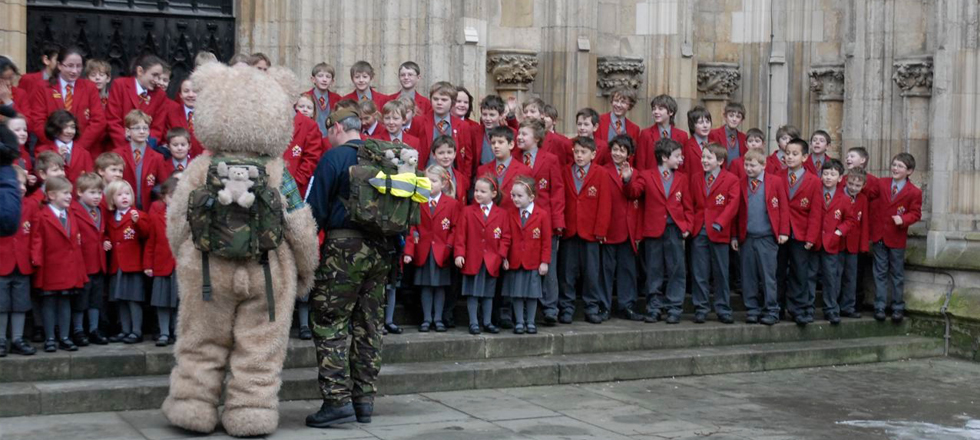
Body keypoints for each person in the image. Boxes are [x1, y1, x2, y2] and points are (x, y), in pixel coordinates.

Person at [305, 109, 391, 427]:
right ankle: (364, 400)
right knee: (369, 326)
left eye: (329, 130)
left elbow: (314, 210)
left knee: (330, 322)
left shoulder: (333, 158)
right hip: (382, 251)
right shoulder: (382, 155)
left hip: (343, 250)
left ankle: (336, 400)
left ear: (338, 127)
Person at [624, 137, 692, 324]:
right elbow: (634, 192)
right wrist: (628, 179)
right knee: (654, 270)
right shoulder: (647, 175)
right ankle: (654, 307)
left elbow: (687, 206)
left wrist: (686, 226)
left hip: (674, 230)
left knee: (676, 269)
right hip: (653, 230)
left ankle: (674, 307)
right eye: (677, 156)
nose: (681, 159)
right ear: (664, 157)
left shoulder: (682, 178)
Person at [515, 120, 564, 325]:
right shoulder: (515, 159)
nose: (519, 137)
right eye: (518, 133)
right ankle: (521, 308)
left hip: (544, 220)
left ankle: (550, 308)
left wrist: (558, 221)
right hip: (520, 221)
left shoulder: (550, 159)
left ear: (536, 138)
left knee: (548, 265)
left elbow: (558, 191)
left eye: (524, 134)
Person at [31, 175, 88, 352]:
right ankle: (50, 338)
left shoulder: (70, 214)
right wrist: (36, 261)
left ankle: (64, 336)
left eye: (70, 193)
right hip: (50, 266)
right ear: (52, 195)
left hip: (69, 266)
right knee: (49, 303)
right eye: (65, 193)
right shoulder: (42, 215)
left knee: (65, 301)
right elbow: (36, 240)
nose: (69, 197)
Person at [732, 149, 789, 325]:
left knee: (768, 275)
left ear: (763, 166)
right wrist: (734, 236)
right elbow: (736, 212)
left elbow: (784, 208)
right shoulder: (741, 183)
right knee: (748, 275)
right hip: (747, 237)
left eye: (752, 165)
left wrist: (783, 231)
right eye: (746, 165)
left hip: (767, 237)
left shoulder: (775, 182)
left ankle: (771, 309)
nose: (748, 168)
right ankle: (752, 309)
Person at [559, 136, 611, 324]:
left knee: (591, 272)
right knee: (567, 272)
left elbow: (605, 204)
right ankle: (566, 307)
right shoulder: (565, 171)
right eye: (577, 152)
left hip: (590, 232)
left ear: (593, 154)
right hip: (570, 230)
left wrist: (600, 230)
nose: (579, 156)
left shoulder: (601, 173)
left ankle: (591, 307)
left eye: (584, 152)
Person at [865, 153, 922, 323]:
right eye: (894, 165)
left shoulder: (914, 192)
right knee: (879, 272)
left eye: (900, 166)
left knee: (896, 273)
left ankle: (897, 307)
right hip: (879, 236)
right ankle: (880, 306)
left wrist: (903, 219)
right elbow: (868, 194)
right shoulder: (882, 183)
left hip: (896, 238)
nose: (895, 169)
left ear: (909, 171)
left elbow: (916, 213)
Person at [403, 165, 459, 332]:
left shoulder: (452, 204)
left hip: (442, 252)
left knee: (440, 286)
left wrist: (449, 246)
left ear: (443, 183)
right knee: (425, 286)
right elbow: (412, 228)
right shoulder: (418, 201)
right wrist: (409, 251)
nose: (429, 184)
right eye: (426, 181)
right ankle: (427, 318)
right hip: (424, 251)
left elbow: (455, 228)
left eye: (433, 181)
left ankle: (438, 318)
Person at [689, 144, 740, 324]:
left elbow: (733, 205)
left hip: (720, 231)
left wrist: (720, 222)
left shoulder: (731, 179)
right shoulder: (696, 178)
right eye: (703, 157)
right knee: (699, 272)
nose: (704, 161)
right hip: (699, 230)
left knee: (721, 271)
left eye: (708, 158)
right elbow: (691, 204)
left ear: (720, 161)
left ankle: (722, 308)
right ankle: (701, 307)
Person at [454, 176, 511, 335]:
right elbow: (460, 235)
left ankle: (487, 321)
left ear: (493, 194)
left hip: (491, 260)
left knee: (488, 293)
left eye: (482, 191)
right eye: (476, 190)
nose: (478, 194)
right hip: (472, 258)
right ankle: (473, 322)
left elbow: (506, 237)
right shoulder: (467, 211)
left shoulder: (502, 214)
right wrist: (459, 254)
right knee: (472, 292)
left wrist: (501, 255)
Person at [25, 46, 107, 155]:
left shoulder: (89, 87)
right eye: (70, 66)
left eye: (79, 66)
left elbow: (98, 121)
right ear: (59, 65)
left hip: (83, 151)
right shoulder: (44, 87)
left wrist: (76, 147)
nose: (74, 71)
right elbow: (38, 121)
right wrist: (56, 145)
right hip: (50, 151)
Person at [777, 138, 823, 326]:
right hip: (780, 232)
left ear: (805, 157)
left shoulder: (813, 181)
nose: (789, 157)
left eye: (794, 154)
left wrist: (811, 237)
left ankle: (799, 309)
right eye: (787, 153)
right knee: (778, 271)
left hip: (801, 234)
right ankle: (777, 307)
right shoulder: (777, 176)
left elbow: (816, 212)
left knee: (800, 272)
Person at [503, 175, 551, 334]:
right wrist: (505, 257)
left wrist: (544, 261)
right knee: (516, 293)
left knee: (532, 294)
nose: (515, 199)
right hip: (516, 260)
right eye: (513, 195)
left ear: (531, 197)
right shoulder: (511, 213)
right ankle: (519, 322)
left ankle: (530, 321)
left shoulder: (542, 215)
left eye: (519, 196)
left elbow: (546, 240)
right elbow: (507, 237)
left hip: (533, 261)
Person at [105, 179, 150, 344]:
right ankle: (125, 330)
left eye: (127, 193)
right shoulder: (110, 218)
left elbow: (146, 233)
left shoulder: (138, 215)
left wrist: (137, 222)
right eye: (119, 195)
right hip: (116, 265)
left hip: (132, 265)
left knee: (133, 298)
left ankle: (136, 330)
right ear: (112, 199)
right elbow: (106, 234)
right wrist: (105, 240)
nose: (124, 197)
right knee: (121, 299)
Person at [600, 134, 640, 321]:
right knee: (605, 270)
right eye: (614, 149)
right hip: (608, 228)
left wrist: (627, 179)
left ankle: (627, 305)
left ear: (629, 154)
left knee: (627, 270)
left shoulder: (635, 173)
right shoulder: (601, 171)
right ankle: (604, 306)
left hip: (627, 229)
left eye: (622, 150)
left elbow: (635, 194)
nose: (617, 153)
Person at [816, 159, 858, 325]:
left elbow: (850, 220)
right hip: (814, 241)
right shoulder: (815, 192)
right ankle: (806, 307)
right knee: (810, 275)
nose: (828, 177)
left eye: (832, 174)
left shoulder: (845, 199)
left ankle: (831, 309)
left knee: (831, 277)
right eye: (825, 174)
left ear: (840, 178)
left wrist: (839, 232)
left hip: (833, 243)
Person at [0, 165, 37, 355]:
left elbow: (36, 233)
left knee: (21, 303)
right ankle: (1, 340)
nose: (21, 187)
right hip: (2, 262)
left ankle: (17, 338)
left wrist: (35, 256)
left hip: (22, 263)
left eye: (23, 183)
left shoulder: (30, 205)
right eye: (15, 183)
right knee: (1, 304)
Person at [70, 172, 109, 345]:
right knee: (81, 298)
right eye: (92, 193)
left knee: (96, 298)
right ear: (79, 192)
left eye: (99, 193)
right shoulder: (73, 210)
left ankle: (94, 329)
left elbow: (103, 233)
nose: (97, 197)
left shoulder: (101, 210)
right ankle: (78, 330)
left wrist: (106, 241)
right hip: (82, 262)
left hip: (98, 261)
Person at [106, 55, 169, 146]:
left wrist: (142, 147)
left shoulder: (160, 95)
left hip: (145, 149)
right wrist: (128, 147)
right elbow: (112, 120)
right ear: (140, 71)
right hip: (119, 147)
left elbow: (157, 129)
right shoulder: (120, 85)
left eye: (159, 77)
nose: (157, 81)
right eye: (154, 75)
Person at [145, 177, 179, 346]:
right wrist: (148, 264)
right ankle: (164, 332)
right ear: (164, 197)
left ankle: (176, 331)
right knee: (162, 301)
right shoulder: (157, 215)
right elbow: (151, 241)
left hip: (180, 265)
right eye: (172, 196)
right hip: (161, 264)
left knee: (178, 301)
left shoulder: (187, 217)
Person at [114, 109, 163, 210]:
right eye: (136, 128)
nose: (141, 131)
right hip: (122, 209)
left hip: (148, 209)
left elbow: (162, 185)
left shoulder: (157, 157)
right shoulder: (117, 154)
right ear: (128, 131)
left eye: (145, 128)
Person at [476, 126, 532, 212]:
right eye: (493, 143)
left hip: (513, 219)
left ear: (511, 144)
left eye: (500, 142)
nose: (496, 146)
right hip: (489, 220)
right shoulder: (482, 170)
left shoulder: (524, 171)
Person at [839, 167, 870, 319]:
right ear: (846, 181)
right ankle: (834, 305)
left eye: (858, 186)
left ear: (863, 186)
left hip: (853, 244)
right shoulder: (838, 194)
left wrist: (864, 245)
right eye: (851, 184)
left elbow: (864, 223)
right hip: (837, 242)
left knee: (851, 277)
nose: (853, 188)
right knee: (836, 275)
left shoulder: (863, 199)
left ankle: (848, 306)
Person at [36, 109, 93, 184]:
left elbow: (91, 182)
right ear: (55, 128)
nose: (69, 131)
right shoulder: (42, 151)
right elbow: (39, 178)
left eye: (72, 127)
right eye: (65, 127)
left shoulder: (84, 154)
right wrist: (57, 157)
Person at [636, 94, 689, 171]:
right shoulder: (645, 134)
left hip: (675, 179)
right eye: (654, 109)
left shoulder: (682, 135)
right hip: (651, 179)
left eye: (660, 109)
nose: (656, 112)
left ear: (671, 112)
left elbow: (684, 164)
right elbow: (640, 163)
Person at [286, 93, 324, 198]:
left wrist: (297, 181)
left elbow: (312, 158)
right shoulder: (288, 123)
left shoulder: (312, 127)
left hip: (296, 184)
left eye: (309, 107)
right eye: (301, 106)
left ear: (313, 112)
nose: (305, 110)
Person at [161, 78, 204, 158]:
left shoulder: (208, 115)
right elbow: (166, 138)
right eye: (186, 91)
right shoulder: (171, 114)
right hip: (177, 161)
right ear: (180, 94)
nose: (190, 95)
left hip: (202, 161)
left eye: (195, 91)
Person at [708, 102, 748, 169]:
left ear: (741, 120)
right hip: (720, 173)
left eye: (738, 117)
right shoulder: (713, 134)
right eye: (731, 116)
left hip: (737, 175)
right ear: (725, 117)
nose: (734, 119)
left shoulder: (743, 138)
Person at [308, 62, 342, 137]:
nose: (324, 80)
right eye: (320, 76)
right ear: (313, 79)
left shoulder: (338, 99)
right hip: (310, 138)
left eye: (328, 77)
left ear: (332, 81)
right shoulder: (305, 97)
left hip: (331, 140)